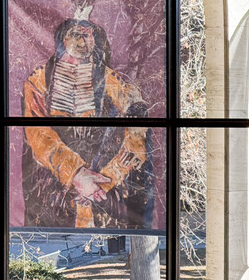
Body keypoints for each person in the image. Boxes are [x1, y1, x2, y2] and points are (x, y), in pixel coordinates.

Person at [21, 15, 155, 230]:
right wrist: (75, 174)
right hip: (56, 190)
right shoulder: (38, 82)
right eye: (76, 35)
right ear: (62, 40)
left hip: (106, 190)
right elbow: (38, 135)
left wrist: (107, 178)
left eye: (88, 36)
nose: (83, 42)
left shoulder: (114, 82)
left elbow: (137, 133)